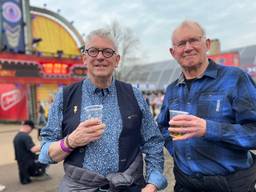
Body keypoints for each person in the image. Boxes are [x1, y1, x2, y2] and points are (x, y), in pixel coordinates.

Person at [39, 29, 167, 192]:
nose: (100, 57)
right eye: (93, 51)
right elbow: (45, 153)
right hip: (79, 188)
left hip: (128, 186)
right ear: (84, 58)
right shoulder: (65, 96)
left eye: (107, 52)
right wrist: (71, 141)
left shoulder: (134, 94)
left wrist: (153, 183)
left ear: (117, 60)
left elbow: (153, 141)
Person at [157, 20, 256, 192]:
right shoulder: (173, 89)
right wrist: (177, 150)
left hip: (230, 185)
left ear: (207, 44)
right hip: (186, 185)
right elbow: (163, 127)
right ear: (173, 52)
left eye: (194, 40)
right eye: (181, 43)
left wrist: (209, 129)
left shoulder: (235, 78)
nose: (188, 47)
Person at [13, 120, 48, 184]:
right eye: (31, 129)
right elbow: (33, 149)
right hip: (29, 161)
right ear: (27, 127)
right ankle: (37, 173)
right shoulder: (25, 136)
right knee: (47, 156)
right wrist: (45, 145)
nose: (31, 131)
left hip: (21, 161)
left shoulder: (17, 136)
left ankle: (28, 176)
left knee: (25, 178)